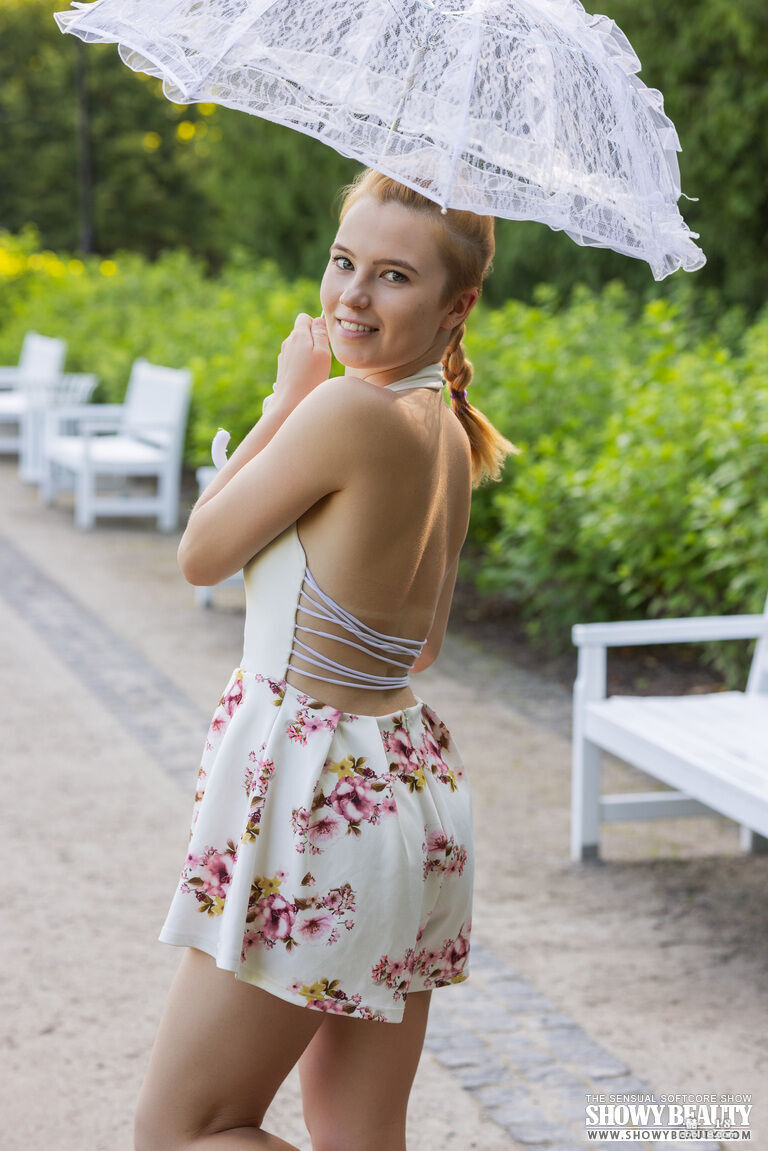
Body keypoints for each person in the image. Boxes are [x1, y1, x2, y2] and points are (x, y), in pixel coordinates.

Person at [134, 169, 515, 1151]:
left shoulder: (345, 411)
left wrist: (282, 400)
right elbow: (421, 642)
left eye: (394, 276)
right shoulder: (448, 433)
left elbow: (200, 552)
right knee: (359, 1130)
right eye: (345, 261)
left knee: (184, 1130)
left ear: (456, 304)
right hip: (408, 790)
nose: (352, 294)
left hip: (319, 803)